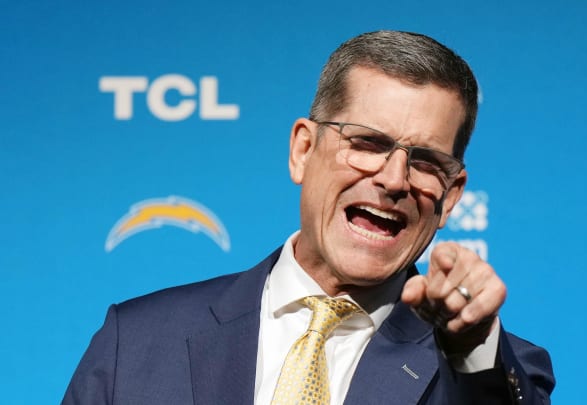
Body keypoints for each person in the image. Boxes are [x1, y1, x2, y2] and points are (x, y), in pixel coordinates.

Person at [63, 30, 555, 404]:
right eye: (367, 143)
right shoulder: (137, 341)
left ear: (450, 196)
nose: (394, 179)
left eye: (425, 161)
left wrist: (469, 347)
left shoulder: (491, 368)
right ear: (302, 150)